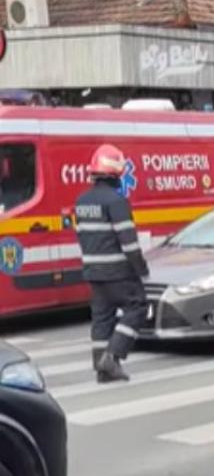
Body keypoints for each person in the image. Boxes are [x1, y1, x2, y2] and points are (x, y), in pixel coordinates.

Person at [74, 144, 149, 383]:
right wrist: (141, 269)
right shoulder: (117, 201)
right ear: (115, 173)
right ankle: (113, 356)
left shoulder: (82, 201)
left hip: (93, 272)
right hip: (117, 272)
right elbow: (129, 243)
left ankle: (102, 369)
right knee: (137, 307)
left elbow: (82, 236)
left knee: (102, 318)